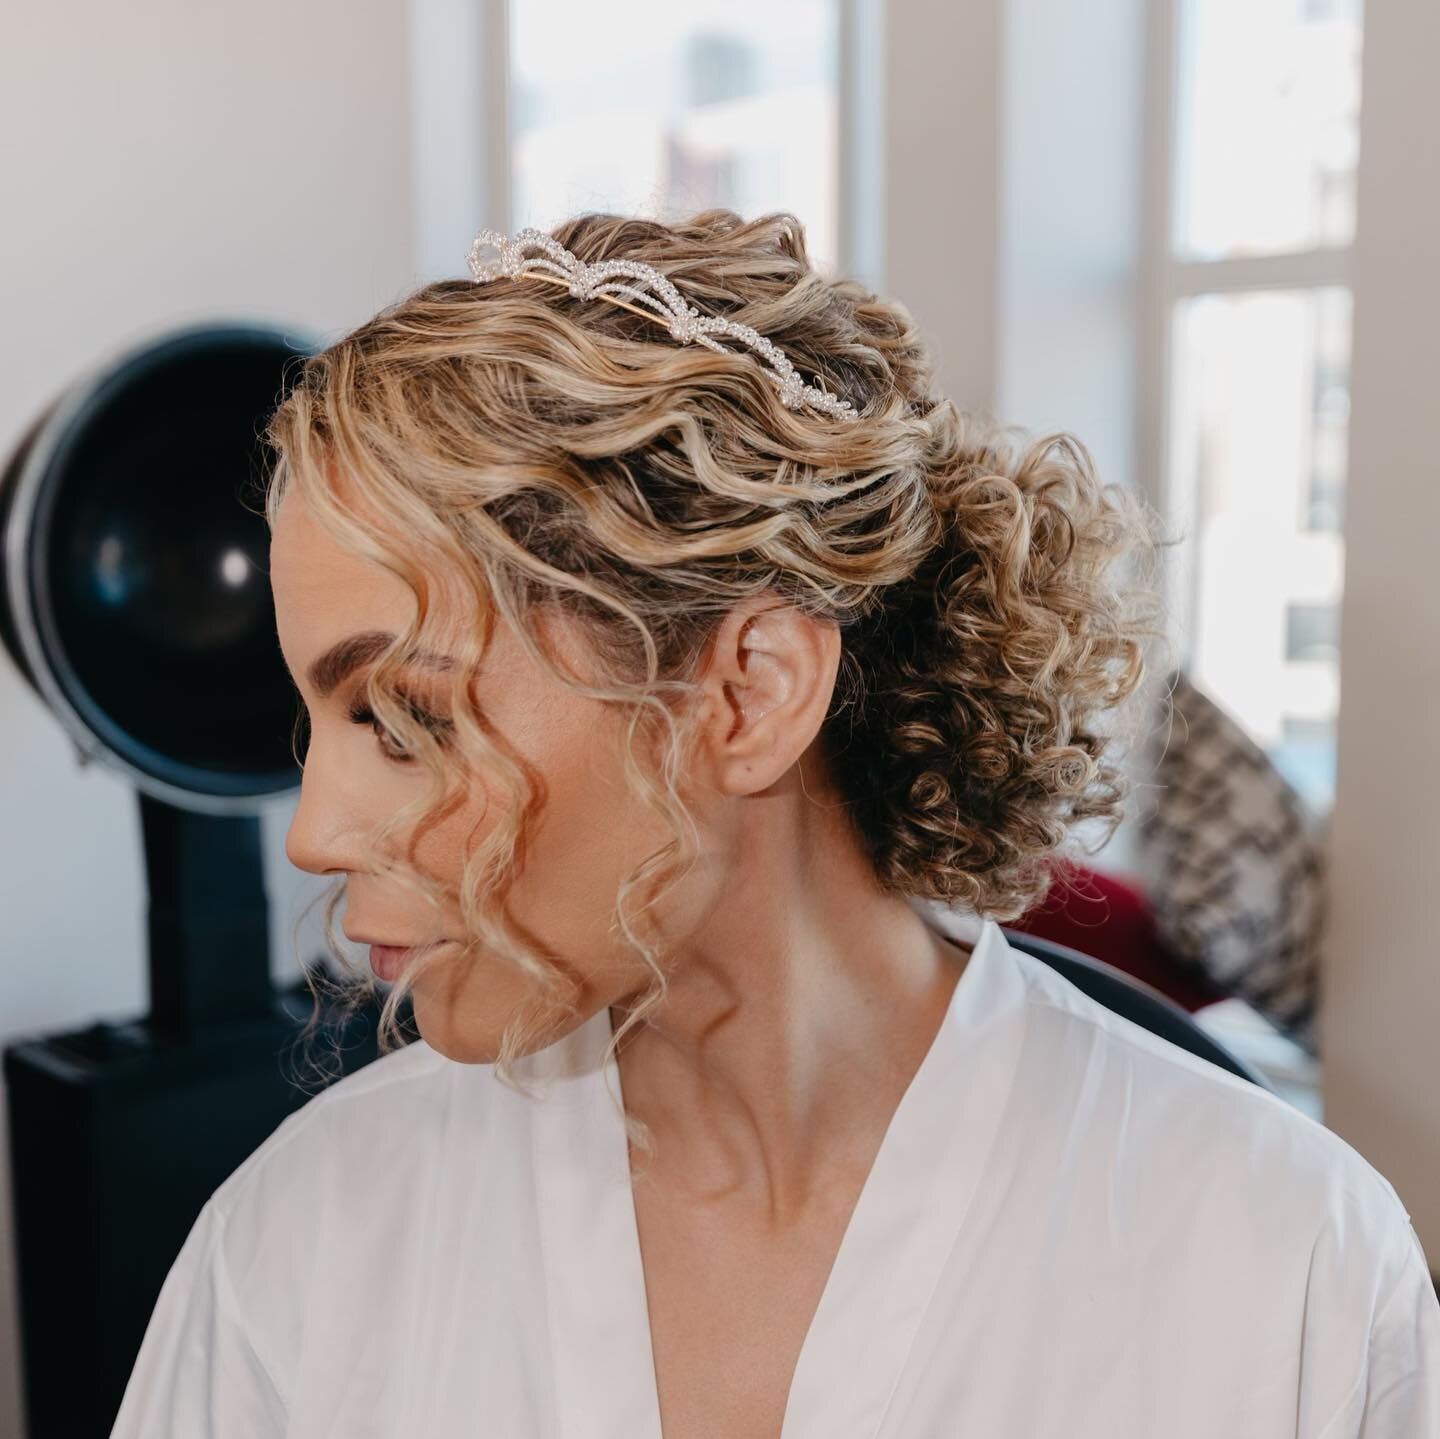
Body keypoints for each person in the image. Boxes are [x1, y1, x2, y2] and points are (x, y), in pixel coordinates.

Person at [110, 211, 1439, 1437]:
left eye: (407, 719)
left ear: (746, 693)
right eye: (315, 724)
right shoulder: (300, 1251)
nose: (316, 836)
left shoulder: (1284, 1270)